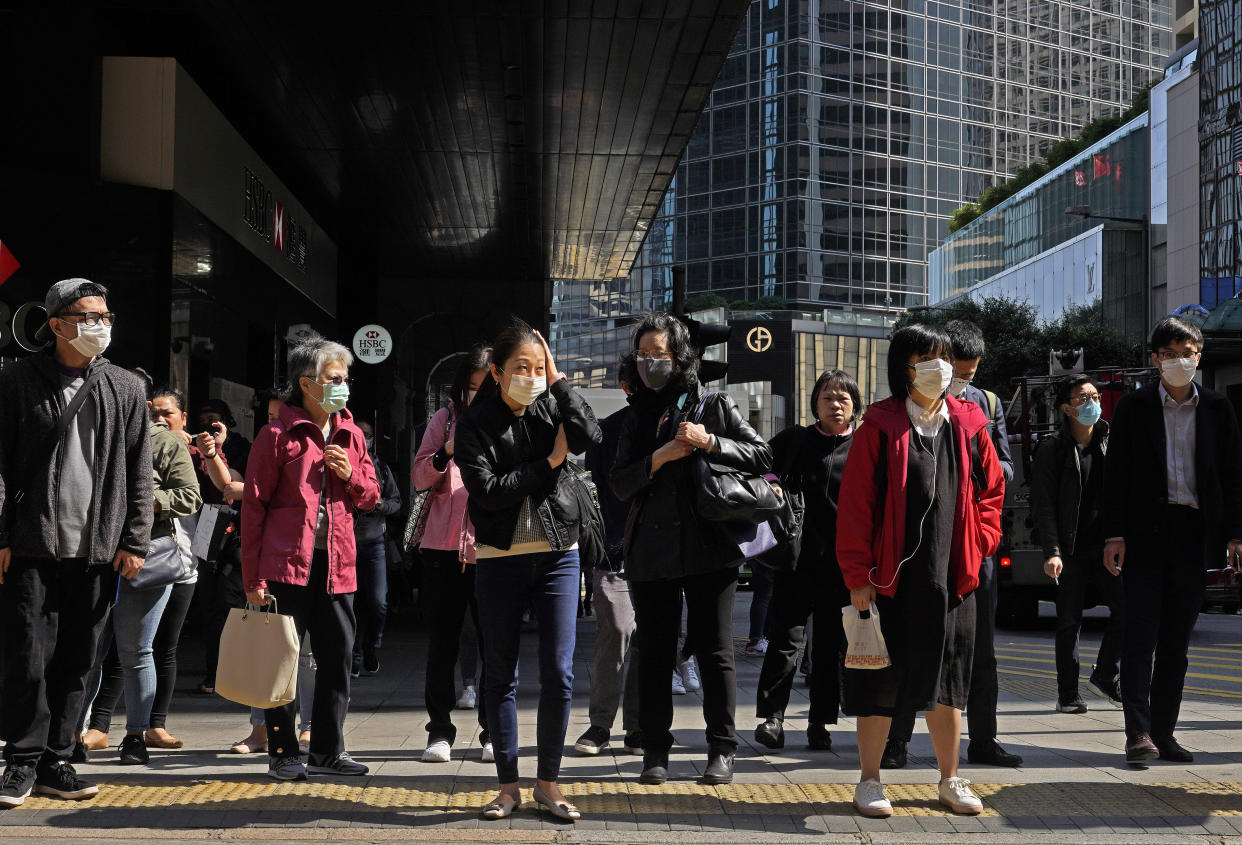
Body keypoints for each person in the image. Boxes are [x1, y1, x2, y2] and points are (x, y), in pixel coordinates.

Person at [836, 323, 1004, 818]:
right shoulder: (880, 424)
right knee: (880, 681)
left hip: (954, 576)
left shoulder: (971, 421)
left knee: (950, 680)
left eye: (944, 359)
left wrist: (982, 542)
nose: (939, 369)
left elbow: (993, 491)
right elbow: (857, 505)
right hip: (890, 580)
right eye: (927, 360)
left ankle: (950, 779)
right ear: (903, 368)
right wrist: (857, 574)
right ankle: (869, 781)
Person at [0, 278, 152, 807]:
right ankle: (19, 759)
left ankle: (55, 760)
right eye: (90, 316)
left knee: (78, 658)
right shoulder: (18, 380)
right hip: (31, 545)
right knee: (25, 654)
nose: (102, 326)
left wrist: (134, 539)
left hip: (97, 550)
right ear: (57, 324)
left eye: (107, 317)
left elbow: (140, 471)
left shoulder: (127, 387)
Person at [611, 312, 772, 787]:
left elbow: (762, 456)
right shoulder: (636, 413)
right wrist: (659, 458)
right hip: (652, 551)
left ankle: (722, 749)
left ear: (680, 358)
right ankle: (655, 751)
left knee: (715, 651)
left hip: (709, 547)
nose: (648, 365)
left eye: (658, 356)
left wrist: (711, 442)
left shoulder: (715, 405)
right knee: (656, 654)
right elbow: (620, 482)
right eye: (642, 356)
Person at [455, 323, 601, 821]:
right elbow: (488, 490)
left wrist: (558, 383)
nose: (531, 377)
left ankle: (549, 784)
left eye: (538, 367)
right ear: (496, 372)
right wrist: (550, 461)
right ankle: (507, 785)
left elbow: (589, 434)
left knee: (559, 672)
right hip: (499, 559)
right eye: (521, 368)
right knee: (500, 673)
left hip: (560, 553)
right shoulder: (473, 424)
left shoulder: (549, 401)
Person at [1102, 316, 1242, 763]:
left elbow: (1234, 474)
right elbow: (1116, 474)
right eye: (1170, 353)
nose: (1180, 361)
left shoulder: (1218, 409)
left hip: (1193, 534)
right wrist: (1114, 534)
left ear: (1199, 357)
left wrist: (1236, 534)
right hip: (1144, 534)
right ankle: (1137, 732)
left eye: (1188, 353)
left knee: (1177, 643)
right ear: (1155, 359)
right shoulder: (1134, 408)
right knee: (1140, 636)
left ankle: (1164, 732)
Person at [881, 320, 1019, 769]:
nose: (953, 377)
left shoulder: (983, 406)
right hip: (918, 551)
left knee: (977, 652)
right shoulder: (895, 414)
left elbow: (1000, 475)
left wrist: (981, 538)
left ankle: (983, 739)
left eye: (965, 373)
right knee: (910, 646)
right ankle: (895, 741)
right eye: (948, 366)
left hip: (970, 552)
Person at [242, 334, 380, 781]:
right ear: (307, 383)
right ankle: (283, 752)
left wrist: (351, 473)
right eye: (333, 378)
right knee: (283, 659)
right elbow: (254, 506)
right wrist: (253, 576)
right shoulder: (277, 434)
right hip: (285, 566)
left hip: (337, 565)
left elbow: (371, 494)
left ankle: (328, 750)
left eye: (345, 378)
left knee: (337, 657)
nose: (342, 385)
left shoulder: (351, 433)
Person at [80, 389, 202, 765]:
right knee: (85, 651)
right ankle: (69, 735)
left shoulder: (165, 443)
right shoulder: (90, 436)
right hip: (92, 557)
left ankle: (135, 735)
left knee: (136, 651)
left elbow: (190, 497)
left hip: (146, 559)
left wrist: (150, 500)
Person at [753, 369, 857, 753]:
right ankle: (773, 718)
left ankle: (820, 723)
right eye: (828, 397)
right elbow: (758, 464)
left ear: (854, 406)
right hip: (795, 561)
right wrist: (772, 485)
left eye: (843, 398)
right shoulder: (796, 439)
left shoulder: (861, 447)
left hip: (840, 567)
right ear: (815, 403)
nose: (835, 404)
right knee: (785, 640)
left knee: (830, 648)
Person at [412, 344, 492, 764]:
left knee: (496, 644)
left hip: (493, 550)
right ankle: (439, 731)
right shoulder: (443, 421)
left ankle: (492, 732)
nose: (476, 396)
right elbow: (419, 476)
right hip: (442, 551)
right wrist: (446, 450)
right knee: (442, 645)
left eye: (485, 387)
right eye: (470, 387)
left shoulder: (509, 422)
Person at [1030, 374, 1123, 714]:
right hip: (1070, 550)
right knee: (1069, 621)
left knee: (1126, 611)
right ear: (1067, 408)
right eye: (1084, 398)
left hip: (1107, 547)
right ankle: (1068, 693)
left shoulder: (1109, 441)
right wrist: (1052, 551)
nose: (1092, 403)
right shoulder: (1051, 449)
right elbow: (1043, 505)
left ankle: (1105, 675)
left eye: (1095, 396)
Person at [573, 354, 643, 757]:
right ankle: (600, 724)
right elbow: (595, 492)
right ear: (624, 385)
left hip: (660, 554)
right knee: (615, 633)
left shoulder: (675, 427)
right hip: (613, 551)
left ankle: (636, 728)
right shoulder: (606, 431)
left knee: (646, 640)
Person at [352, 419, 402, 678]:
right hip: (345, 544)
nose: (362, 438)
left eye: (367, 435)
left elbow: (397, 502)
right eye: (358, 434)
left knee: (377, 602)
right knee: (347, 604)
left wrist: (381, 505)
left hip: (374, 544)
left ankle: (371, 645)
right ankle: (354, 654)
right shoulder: (341, 461)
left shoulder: (380, 466)